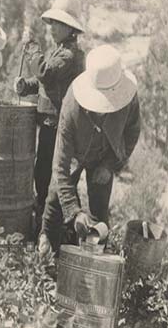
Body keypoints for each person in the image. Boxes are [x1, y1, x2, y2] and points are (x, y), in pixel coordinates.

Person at [38, 45, 141, 256]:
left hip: (105, 155)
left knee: (99, 212)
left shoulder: (129, 99)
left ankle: (94, 261)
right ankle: (47, 249)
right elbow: (60, 166)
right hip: (75, 152)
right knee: (55, 199)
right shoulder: (71, 105)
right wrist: (74, 212)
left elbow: (132, 133)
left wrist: (110, 165)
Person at [14, 0, 86, 237]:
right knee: (43, 174)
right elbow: (46, 83)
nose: (53, 28)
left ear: (70, 28)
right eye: (53, 23)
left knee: (52, 177)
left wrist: (32, 48)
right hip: (49, 123)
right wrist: (26, 85)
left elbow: (46, 73)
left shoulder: (70, 55)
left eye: (59, 24)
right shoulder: (59, 50)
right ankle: (49, 226)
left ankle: (54, 230)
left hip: (58, 126)